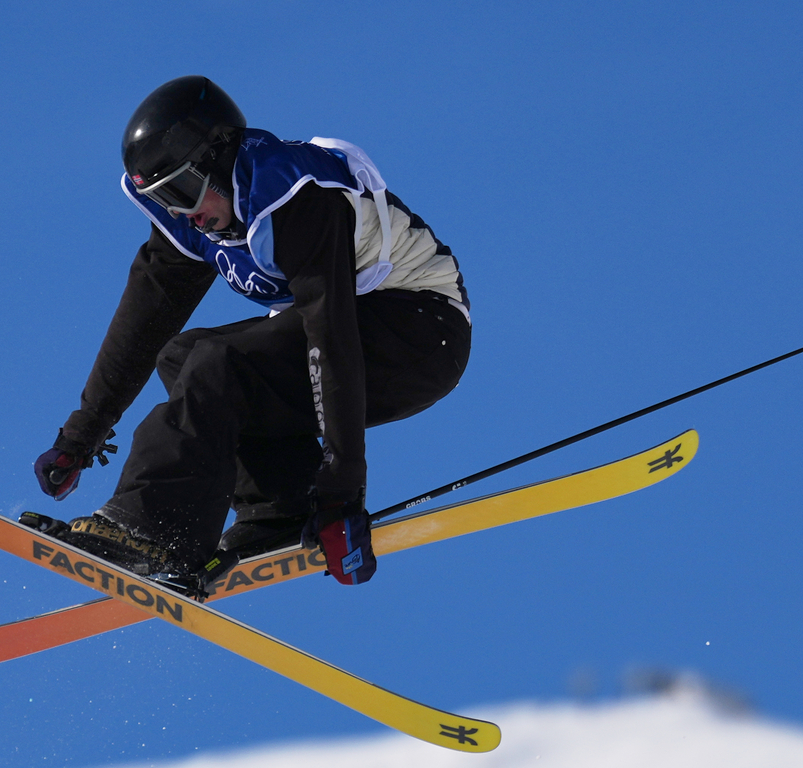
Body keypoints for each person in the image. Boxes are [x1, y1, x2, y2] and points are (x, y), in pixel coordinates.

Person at [24, 76, 471, 594]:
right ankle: (277, 509)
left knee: (220, 364)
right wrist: (80, 436)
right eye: (163, 200)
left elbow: (330, 337)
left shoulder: (292, 192)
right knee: (181, 357)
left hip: (421, 332)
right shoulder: (198, 221)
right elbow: (141, 327)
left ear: (218, 157)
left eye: (182, 190)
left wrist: (342, 493)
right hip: (355, 328)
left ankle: (150, 529)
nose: (183, 213)